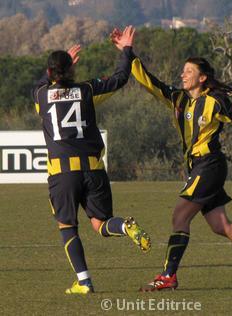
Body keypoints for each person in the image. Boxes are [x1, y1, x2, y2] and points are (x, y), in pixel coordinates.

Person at [111, 29, 232, 291]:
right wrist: (128, 52)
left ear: (202, 78)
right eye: (183, 70)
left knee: (180, 215)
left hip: (210, 165)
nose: (183, 74)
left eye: (189, 71)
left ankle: (168, 275)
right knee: (220, 224)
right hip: (199, 168)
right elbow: (149, 81)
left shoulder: (215, 101)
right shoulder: (178, 99)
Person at [33, 26, 150, 295]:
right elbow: (121, 78)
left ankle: (84, 281)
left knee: (67, 226)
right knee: (100, 224)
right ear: (72, 72)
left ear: (51, 73)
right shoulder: (87, 90)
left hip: (63, 174)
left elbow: (41, 84)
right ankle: (124, 226)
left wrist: (59, 69)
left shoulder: (41, 96)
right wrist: (126, 50)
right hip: (94, 170)